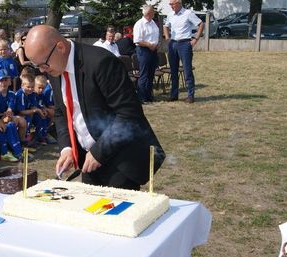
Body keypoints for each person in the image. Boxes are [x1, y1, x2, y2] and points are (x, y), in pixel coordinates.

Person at [24, 25, 164, 189]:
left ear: (60, 47)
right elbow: (62, 112)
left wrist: (99, 152)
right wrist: (67, 148)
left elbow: (129, 115)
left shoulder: (102, 62)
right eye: (37, 66)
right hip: (88, 159)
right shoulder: (54, 68)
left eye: (44, 65)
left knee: (116, 212)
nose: (42, 70)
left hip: (120, 158)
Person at [163, 0, 203, 103]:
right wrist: (167, 38)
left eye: (173, 4)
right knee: (173, 70)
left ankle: (190, 95)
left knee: (187, 70)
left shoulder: (188, 13)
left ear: (179, 3)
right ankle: (174, 94)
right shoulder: (170, 15)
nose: (171, 6)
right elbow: (165, 26)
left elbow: (200, 24)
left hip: (184, 43)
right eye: (170, 4)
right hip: (173, 44)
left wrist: (196, 39)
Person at [133, 5, 159, 103]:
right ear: (148, 13)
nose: (154, 13)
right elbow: (137, 40)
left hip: (153, 50)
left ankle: (149, 96)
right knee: (144, 74)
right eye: (153, 12)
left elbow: (155, 36)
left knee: (151, 74)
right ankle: (141, 97)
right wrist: (149, 45)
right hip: (144, 50)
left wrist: (157, 44)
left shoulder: (153, 23)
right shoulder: (140, 24)